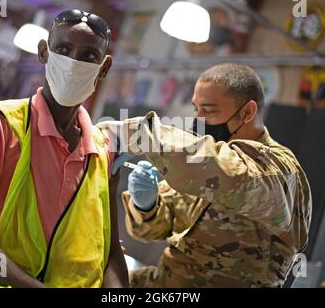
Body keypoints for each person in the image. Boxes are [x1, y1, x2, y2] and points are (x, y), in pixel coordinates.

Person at [0, 9, 128, 288]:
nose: (73, 63)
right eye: (63, 49)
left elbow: (109, 252)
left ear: (104, 67)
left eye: (89, 56)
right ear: (43, 52)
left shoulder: (105, 151)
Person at [102, 63, 312, 287]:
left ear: (247, 112)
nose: (199, 120)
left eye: (210, 111)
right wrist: (147, 205)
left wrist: (137, 134)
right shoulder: (203, 160)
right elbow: (148, 230)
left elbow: (230, 176)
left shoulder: (278, 169)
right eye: (196, 109)